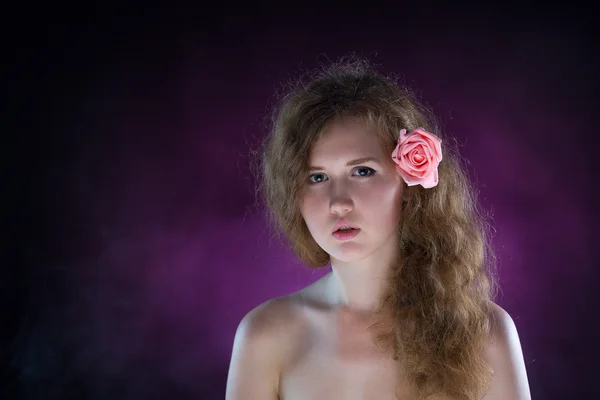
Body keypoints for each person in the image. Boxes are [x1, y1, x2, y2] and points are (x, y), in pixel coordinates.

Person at [225, 56, 531, 400]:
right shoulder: (265, 337)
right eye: (317, 177)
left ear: (409, 183)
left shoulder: (485, 334)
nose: (338, 202)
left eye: (362, 171)